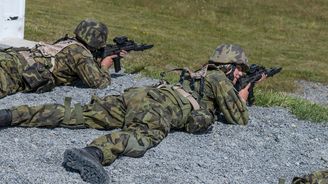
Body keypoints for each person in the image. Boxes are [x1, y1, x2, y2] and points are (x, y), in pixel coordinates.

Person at [0, 44, 250, 184]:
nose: (240, 74)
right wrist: (244, 94)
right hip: (160, 106)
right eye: (240, 69)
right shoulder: (218, 77)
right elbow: (240, 118)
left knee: (78, 113)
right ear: (231, 65)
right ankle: (93, 153)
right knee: (142, 136)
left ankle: (11, 115)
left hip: (138, 94)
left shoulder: (196, 73)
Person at [0, 18, 127, 99]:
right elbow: (100, 83)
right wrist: (105, 65)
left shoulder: (67, 41)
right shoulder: (82, 54)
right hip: (16, 71)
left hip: (15, 56)